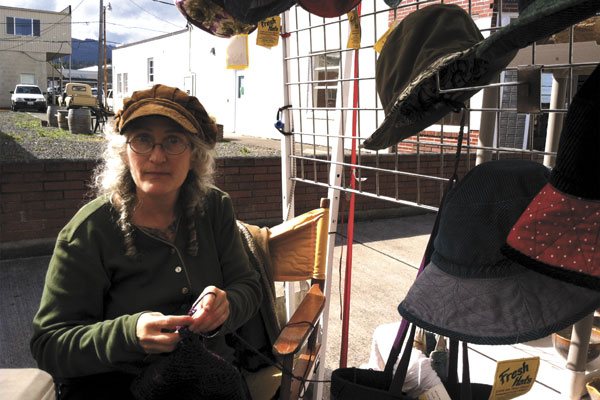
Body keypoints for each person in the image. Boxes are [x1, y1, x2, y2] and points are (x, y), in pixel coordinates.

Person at [30, 84, 262, 398]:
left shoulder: (215, 208)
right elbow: (49, 345)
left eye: (173, 141)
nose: (157, 155)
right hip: (119, 386)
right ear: (125, 152)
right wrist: (130, 334)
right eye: (142, 140)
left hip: (208, 378)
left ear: (194, 154)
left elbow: (247, 285)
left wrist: (225, 307)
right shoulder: (88, 231)